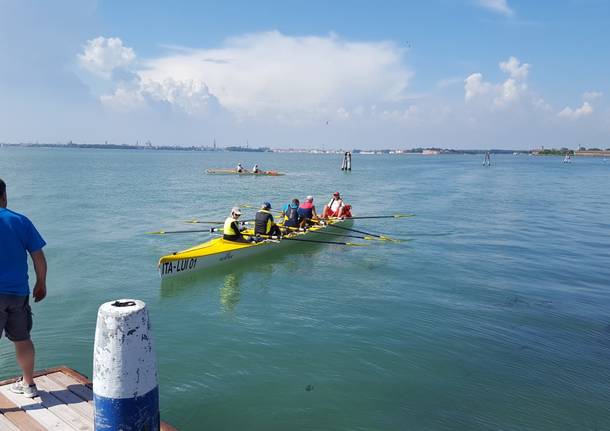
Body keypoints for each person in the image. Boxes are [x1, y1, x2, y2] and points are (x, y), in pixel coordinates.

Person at [0, 178, 47, 398]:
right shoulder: (20, 221)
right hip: (18, 294)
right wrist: (41, 282)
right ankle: (29, 385)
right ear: (4, 196)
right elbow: (38, 256)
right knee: (22, 339)